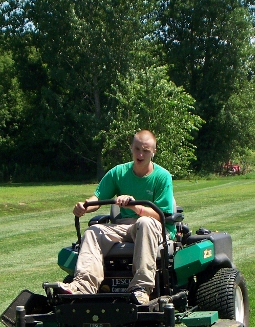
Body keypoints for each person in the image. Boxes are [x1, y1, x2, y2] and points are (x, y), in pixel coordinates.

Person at [61, 129, 174, 305]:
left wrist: (134, 206)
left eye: (145, 150)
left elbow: (162, 215)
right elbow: (98, 198)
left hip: (154, 226)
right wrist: (85, 206)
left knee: (145, 222)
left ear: (154, 151)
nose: (140, 154)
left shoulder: (162, 176)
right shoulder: (118, 172)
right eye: (137, 149)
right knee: (93, 231)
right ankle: (82, 286)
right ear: (131, 148)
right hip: (124, 225)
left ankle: (141, 288)